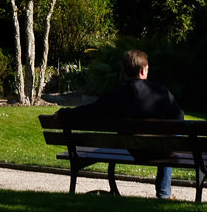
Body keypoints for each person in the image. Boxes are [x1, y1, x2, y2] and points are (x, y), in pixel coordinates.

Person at [62, 48, 184, 199]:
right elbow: (179, 119)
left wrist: (64, 113)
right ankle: (164, 194)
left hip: (132, 148)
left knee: (160, 139)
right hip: (160, 150)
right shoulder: (161, 92)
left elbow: (91, 110)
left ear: (125, 71)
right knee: (168, 138)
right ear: (142, 70)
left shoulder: (116, 94)